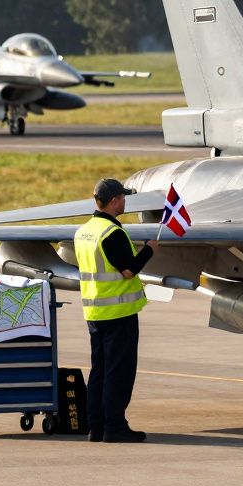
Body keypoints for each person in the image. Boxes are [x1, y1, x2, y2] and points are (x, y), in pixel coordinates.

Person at [74, 178, 157, 443]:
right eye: (122, 197)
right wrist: (149, 251)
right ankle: (115, 426)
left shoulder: (84, 231)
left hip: (94, 312)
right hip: (118, 313)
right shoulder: (112, 233)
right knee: (118, 372)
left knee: (98, 370)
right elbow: (128, 270)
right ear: (113, 201)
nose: (125, 201)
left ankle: (95, 427)